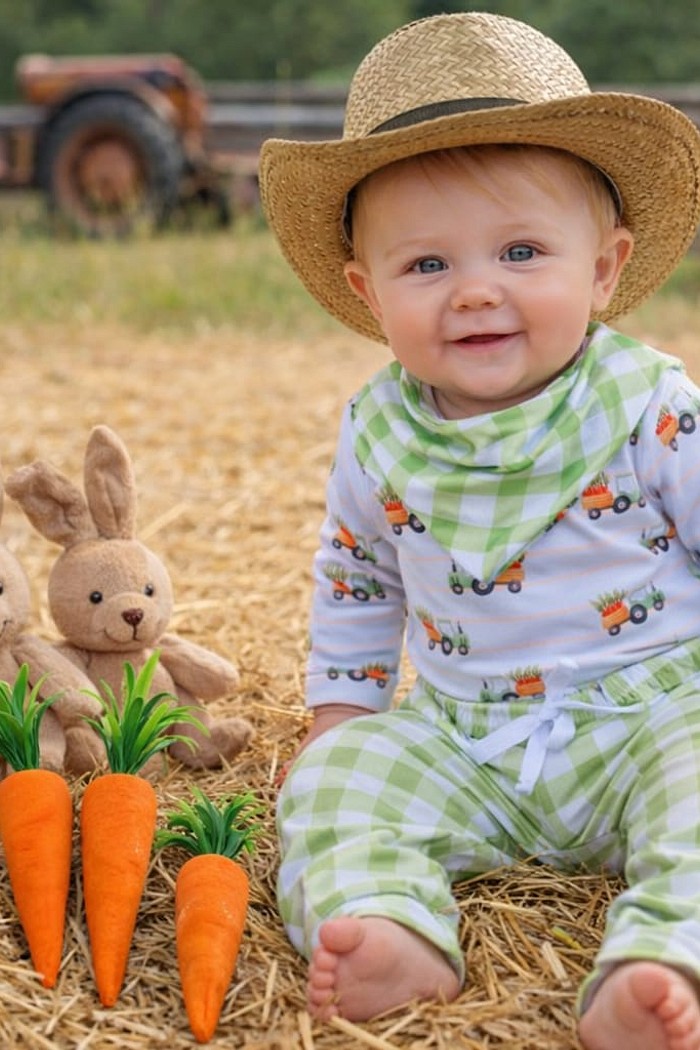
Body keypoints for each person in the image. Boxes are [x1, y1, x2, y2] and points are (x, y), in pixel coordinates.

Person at [259, 11, 700, 1049]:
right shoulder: (378, 432)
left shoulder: (647, 404)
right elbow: (359, 575)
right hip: (468, 740)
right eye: (426, 267)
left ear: (602, 269)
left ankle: (664, 956)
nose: (475, 292)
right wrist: (340, 715)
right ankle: (387, 929)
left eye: (520, 251)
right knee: (333, 788)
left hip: (656, 719)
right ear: (368, 295)